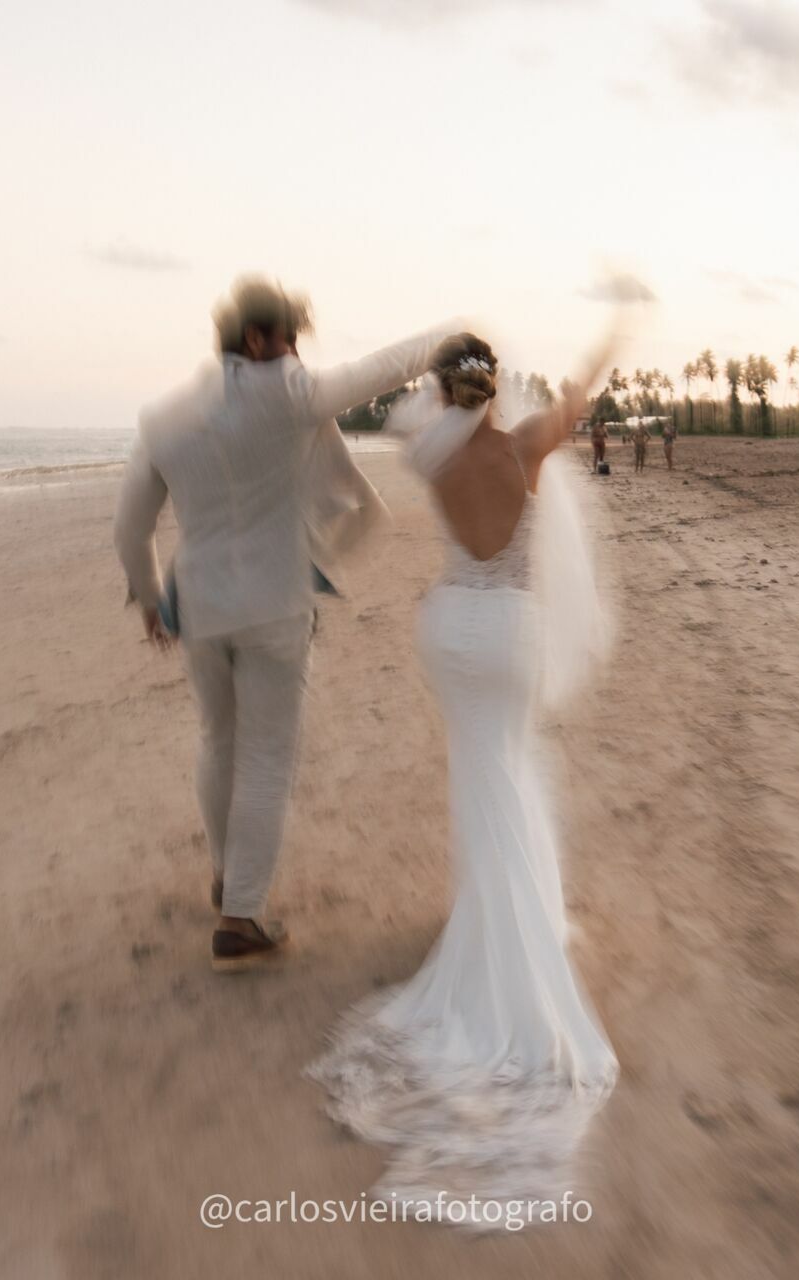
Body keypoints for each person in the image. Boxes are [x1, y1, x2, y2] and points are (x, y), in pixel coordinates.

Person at [308, 323, 623, 1220]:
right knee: (508, 774)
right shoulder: (527, 444)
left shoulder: (426, 445)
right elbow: (577, 400)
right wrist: (608, 337)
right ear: (498, 390)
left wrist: (438, 370)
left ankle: (491, 921)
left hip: (453, 628)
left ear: (445, 392)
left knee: (481, 779)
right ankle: (510, 927)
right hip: (511, 632)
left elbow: (389, 404)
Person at [114, 276, 450, 971]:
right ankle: (241, 915)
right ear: (258, 338)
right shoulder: (289, 391)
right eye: (289, 337)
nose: (297, 351)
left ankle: (224, 875)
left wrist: (150, 597)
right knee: (266, 757)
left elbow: (132, 524)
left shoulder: (164, 413)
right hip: (274, 605)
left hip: (199, 605)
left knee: (218, 739)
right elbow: (378, 371)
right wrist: (450, 337)